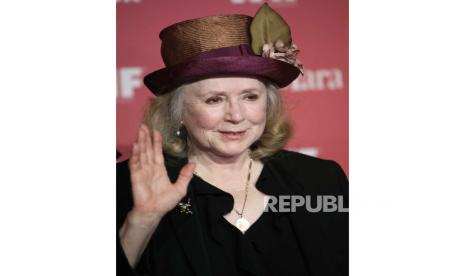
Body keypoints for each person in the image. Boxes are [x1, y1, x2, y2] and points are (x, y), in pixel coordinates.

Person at [117, 3, 348, 276]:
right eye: (214, 100)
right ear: (178, 112)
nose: (236, 116)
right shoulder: (124, 187)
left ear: (268, 104)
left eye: (250, 96)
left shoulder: (321, 180)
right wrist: (143, 220)